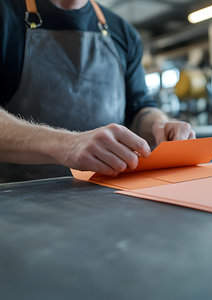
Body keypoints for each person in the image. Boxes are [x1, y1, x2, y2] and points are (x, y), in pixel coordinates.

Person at [0, 0, 195, 182]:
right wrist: (68, 145)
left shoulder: (122, 32)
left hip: (111, 192)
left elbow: (140, 107)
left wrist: (160, 124)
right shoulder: (6, 14)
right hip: (20, 197)